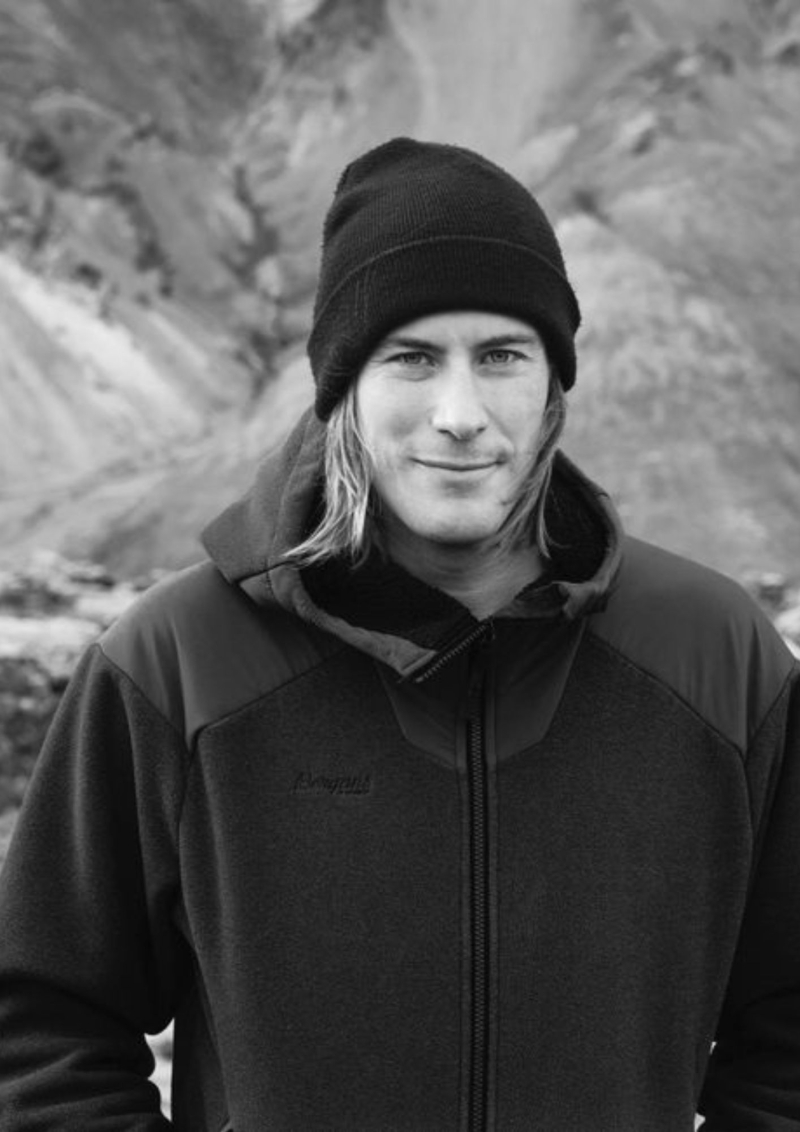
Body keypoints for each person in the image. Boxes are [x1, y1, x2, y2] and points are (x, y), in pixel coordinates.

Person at [0, 137, 798, 1132]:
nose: (459, 414)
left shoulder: (715, 656)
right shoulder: (177, 663)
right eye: (411, 358)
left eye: (501, 356)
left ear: (553, 384)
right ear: (343, 387)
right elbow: (42, 1029)